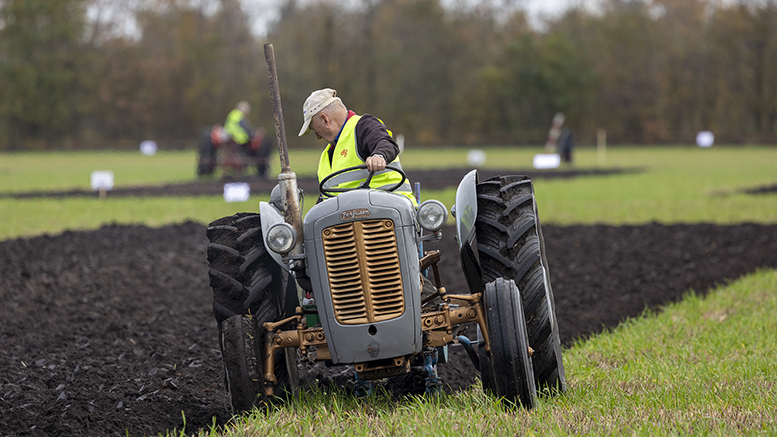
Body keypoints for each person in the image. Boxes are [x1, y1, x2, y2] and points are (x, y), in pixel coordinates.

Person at [298, 88, 416, 205]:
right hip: (351, 218)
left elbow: (386, 143)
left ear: (325, 120)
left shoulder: (364, 126)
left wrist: (379, 156)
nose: (318, 136)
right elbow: (325, 199)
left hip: (392, 211)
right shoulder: (326, 156)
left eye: (315, 130)